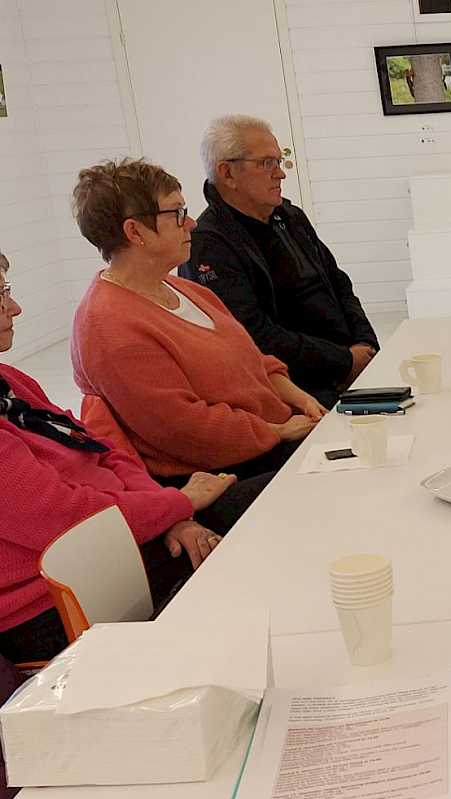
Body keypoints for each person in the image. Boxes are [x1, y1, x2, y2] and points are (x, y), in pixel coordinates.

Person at [0, 250, 229, 664]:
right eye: (0, 297)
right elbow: (65, 518)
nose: (14, 308)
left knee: (251, 512)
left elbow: (101, 451)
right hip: (56, 600)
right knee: (241, 539)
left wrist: (173, 515)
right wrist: (177, 503)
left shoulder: (9, 382)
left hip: (114, 541)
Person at [69, 158, 323, 530]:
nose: (190, 223)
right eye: (177, 213)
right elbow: (187, 430)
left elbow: (255, 360)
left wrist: (300, 399)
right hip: (217, 475)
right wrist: (279, 431)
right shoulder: (109, 325)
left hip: (266, 440)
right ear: (135, 232)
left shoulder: (181, 288)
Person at [179, 115, 379, 408]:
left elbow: (338, 282)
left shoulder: (290, 216)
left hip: (347, 365)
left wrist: (366, 345)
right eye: (266, 163)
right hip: (294, 391)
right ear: (228, 173)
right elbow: (253, 336)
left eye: (279, 160)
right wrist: (344, 362)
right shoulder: (208, 245)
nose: (280, 174)